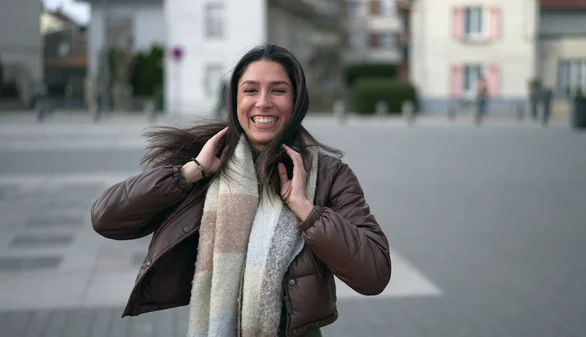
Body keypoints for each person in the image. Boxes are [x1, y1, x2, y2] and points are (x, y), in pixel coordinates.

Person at [90, 43, 391, 337]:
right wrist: (190, 172)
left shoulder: (327, 175)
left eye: (278, 90)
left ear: (296, 100)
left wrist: (305, 209)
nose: (263, 102)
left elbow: (374, 274)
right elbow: (106, 218)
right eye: (250, 90)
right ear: (234, 100)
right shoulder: (206, 162)